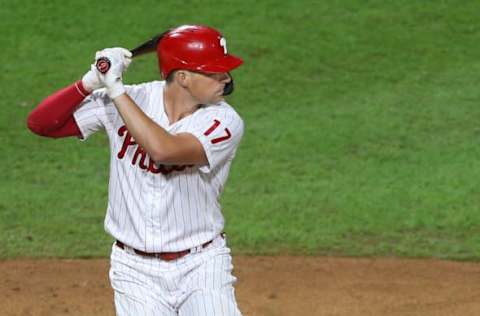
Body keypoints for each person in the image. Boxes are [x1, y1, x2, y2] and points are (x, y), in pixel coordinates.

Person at [27, 25, 244, 316]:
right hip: (135, 271)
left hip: (201, 265)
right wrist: (89, 82)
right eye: (215, 71)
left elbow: (164, 151)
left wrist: (115, 89)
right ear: (183, 77)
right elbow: (41, 124)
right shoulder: (132, 99)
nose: (227, 78)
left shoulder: (224, 120)